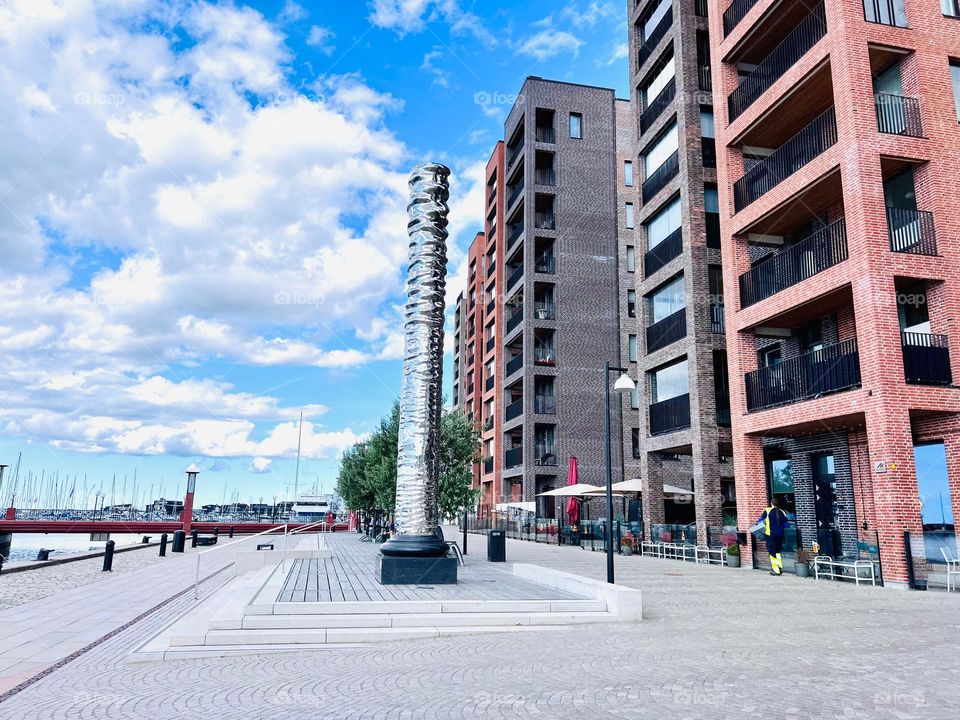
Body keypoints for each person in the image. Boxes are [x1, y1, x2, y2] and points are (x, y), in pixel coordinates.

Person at [757, 498, 788, 576]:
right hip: (780, 534)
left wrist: (765, 523)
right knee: (777, 551)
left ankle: (776, 570)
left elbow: (760, 521)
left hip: (770, 534)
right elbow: (786, 524)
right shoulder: (782, 512)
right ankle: (779, 567)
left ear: (771, 503)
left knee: (771, 551)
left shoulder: (767, 511)